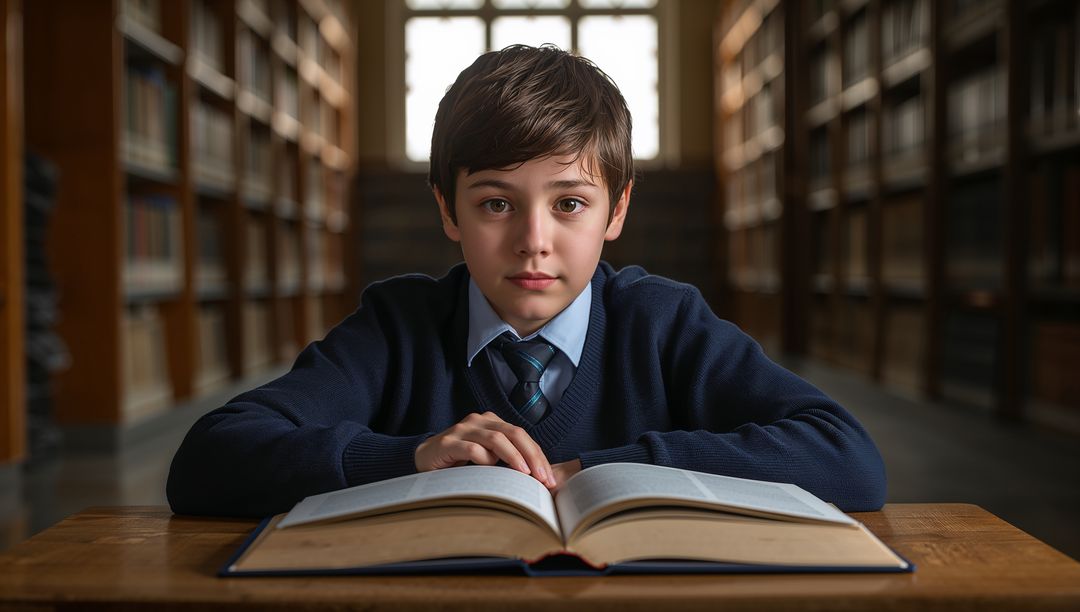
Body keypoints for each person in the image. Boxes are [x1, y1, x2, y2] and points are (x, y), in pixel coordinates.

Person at [166, 45, 886, 518]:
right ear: (448, 208)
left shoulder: (662, 322)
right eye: (496, 203)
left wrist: (603, 472)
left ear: (618, 210)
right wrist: (407, 458)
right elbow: (207, 459)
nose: (533, 242)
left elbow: (848, 457)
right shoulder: (398, 326)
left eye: (569, 203)